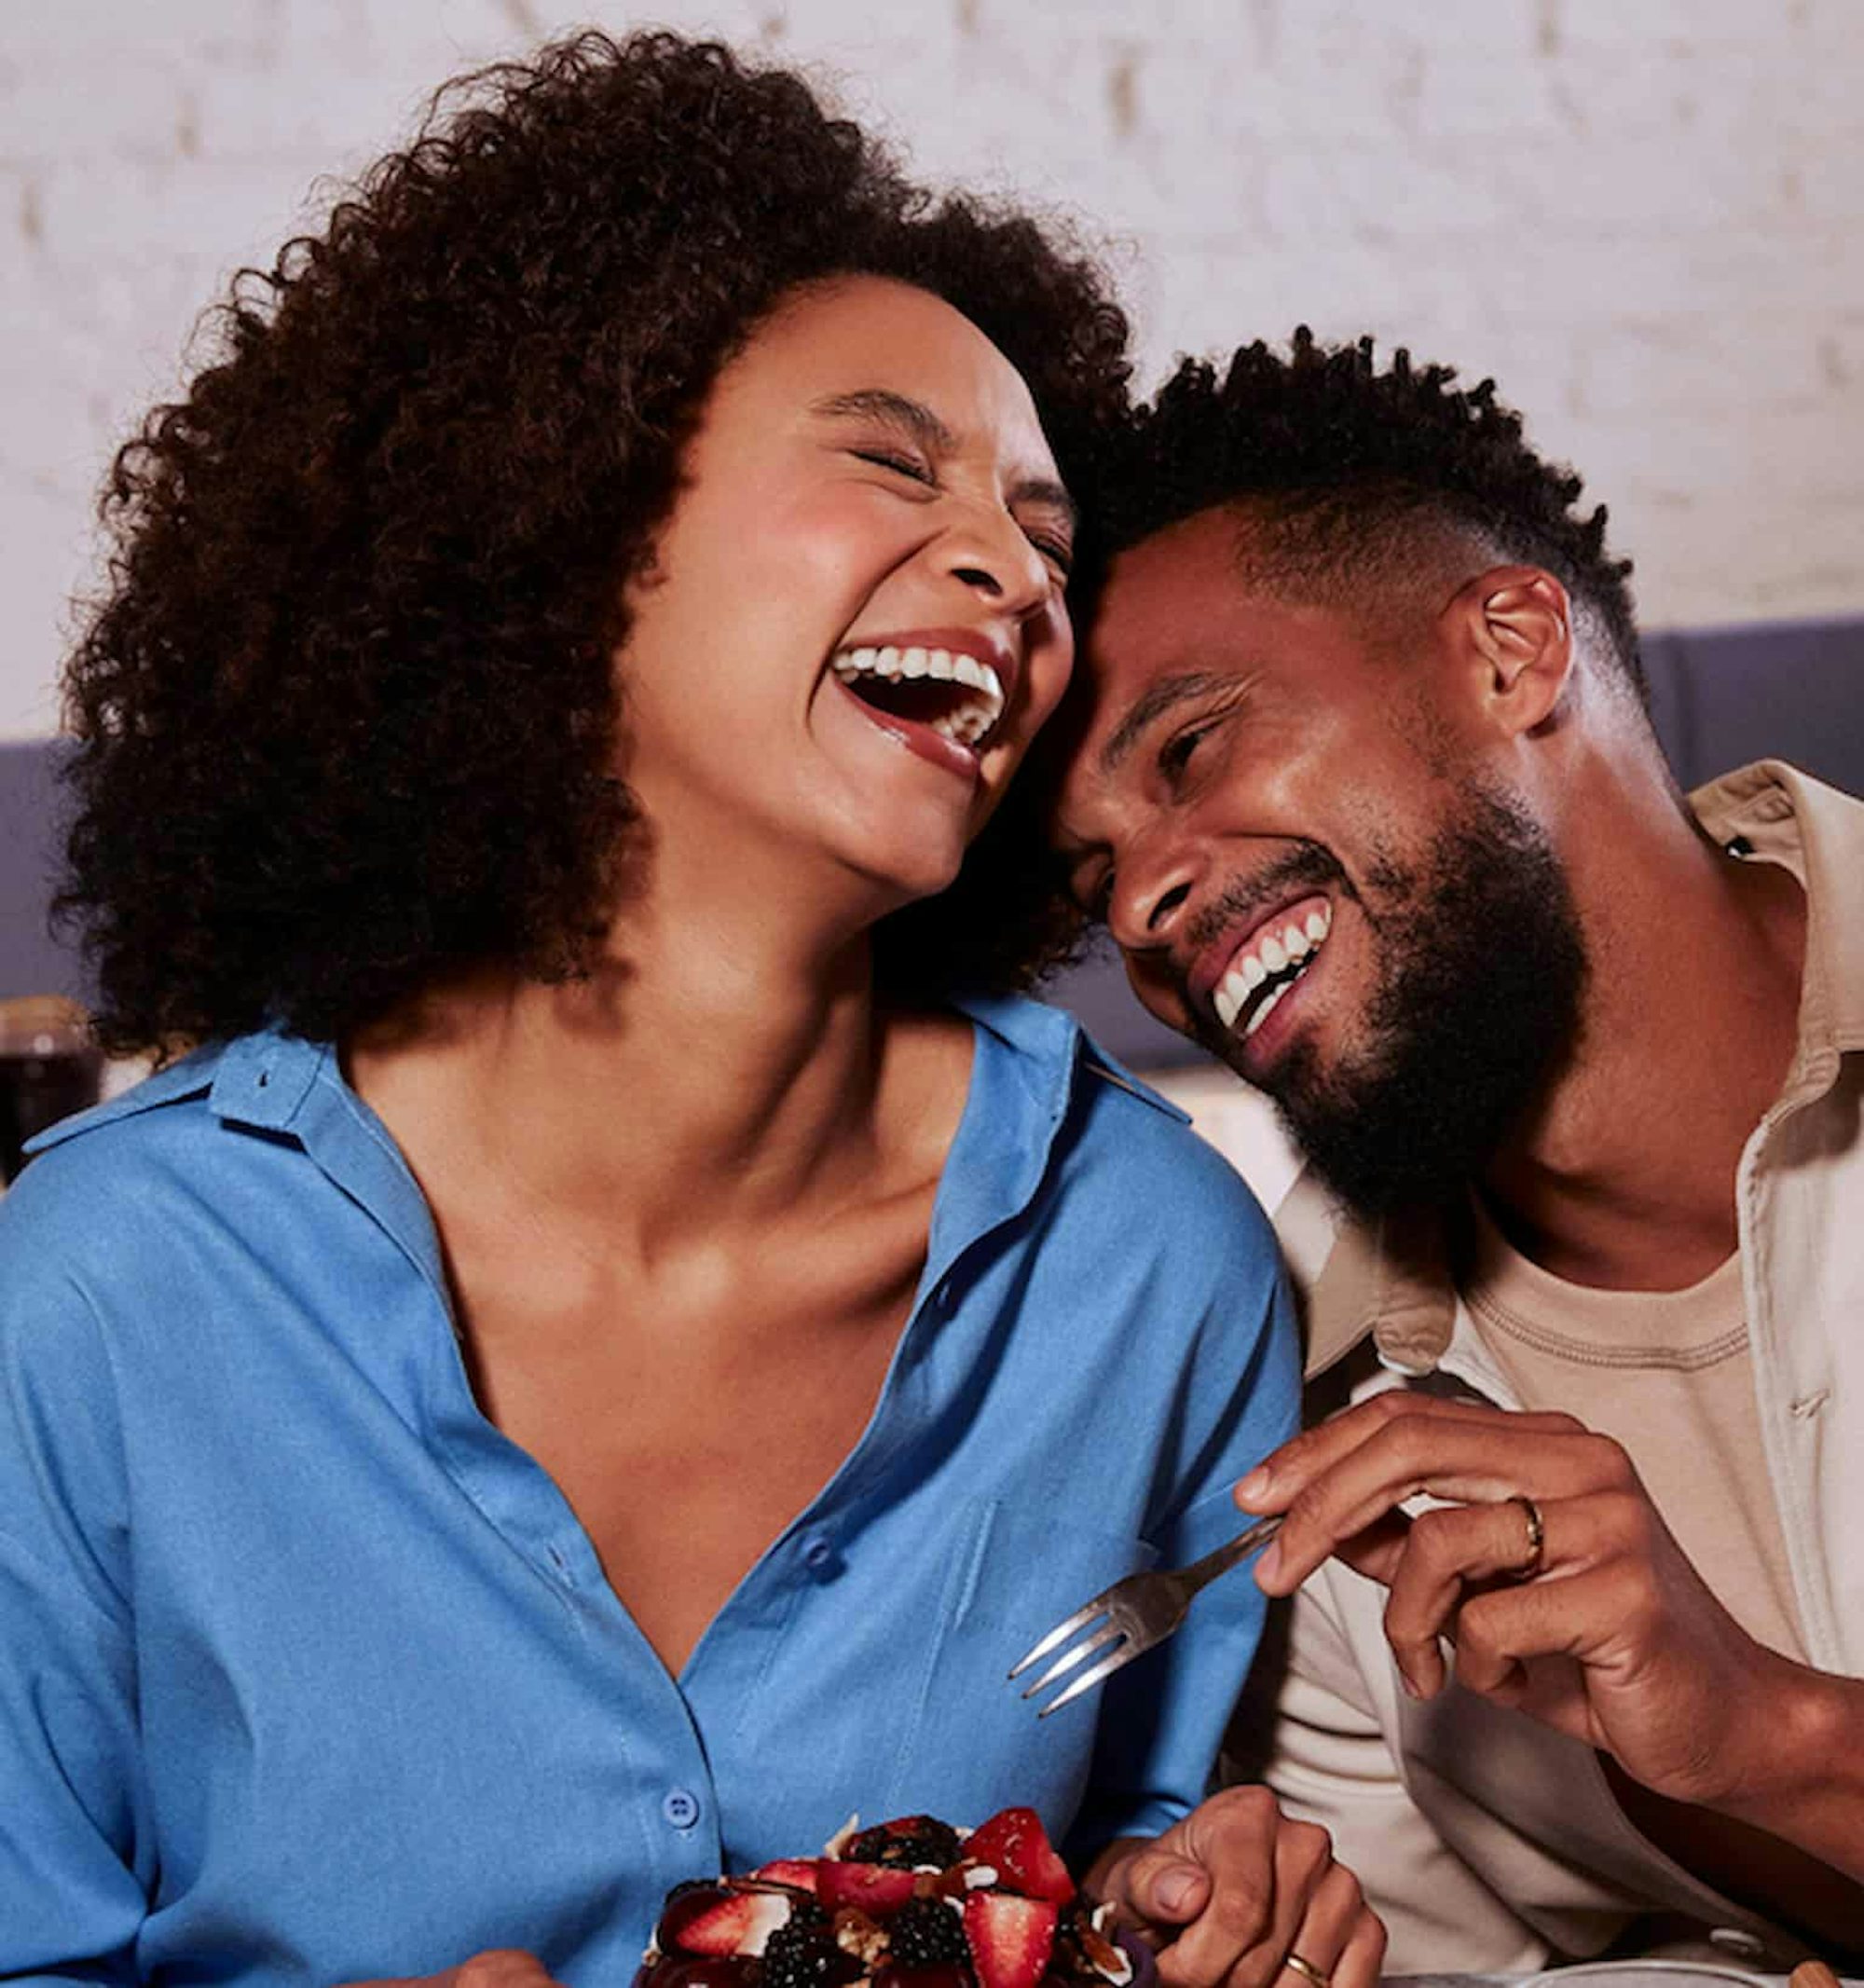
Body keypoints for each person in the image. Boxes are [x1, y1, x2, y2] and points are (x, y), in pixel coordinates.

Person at [0, 36, 1384, 1988]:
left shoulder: (1146, 1270)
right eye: (892, 461)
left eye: (1046, 541)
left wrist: (1210, 1907)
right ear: (565, 527)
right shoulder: (96, 1296)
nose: (1005, 568)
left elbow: (1135, 1862)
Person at [1050, 328, 1864, 1968]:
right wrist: (1254, 1926)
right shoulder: (1320, 1447)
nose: (1141, 911)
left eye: (1191, 748)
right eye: (1095, 885)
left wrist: (1772, 1735)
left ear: (1510, 648)